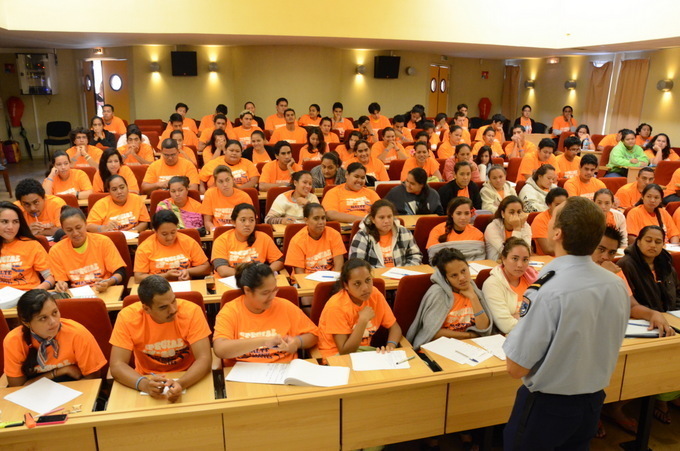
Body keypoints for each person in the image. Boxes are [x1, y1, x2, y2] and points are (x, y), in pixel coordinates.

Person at [503, 197, 629, 450]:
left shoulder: (549, 289)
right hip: (593, 401)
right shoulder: (615, 285)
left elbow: (516, 367)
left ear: (557, 232)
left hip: (549, 407)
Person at [109, 275, 212, 403]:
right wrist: (144, 385)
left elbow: (204, 359)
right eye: (163, 307)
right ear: (146, 309)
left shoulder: (192, 311)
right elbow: (117, 365)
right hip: (147, 377)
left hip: (188, 375)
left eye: (174, 301)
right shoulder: (127, 317)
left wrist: (181, 383)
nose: (173, 310)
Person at [616, 225, 680, 424]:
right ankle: (619, 408)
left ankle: (668, 394)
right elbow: (630, 304)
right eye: (648, 240)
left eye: (658, 241)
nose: (653, 245)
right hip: (641, 322)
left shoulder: (665, 264)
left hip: (668, 317)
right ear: (639, 241)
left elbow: (676, 294)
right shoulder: (627, 264)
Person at [213, 262, 318, 366]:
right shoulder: (231, 311)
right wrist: (263, 341)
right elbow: (220, 349)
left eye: (274, 290)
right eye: (265, 293)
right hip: (243, 372)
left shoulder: (285, 306)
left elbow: (313, 335)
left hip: (283, 369)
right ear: (247, 290)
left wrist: (296, 342)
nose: (272, 296)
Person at [3, 289, 106, 387]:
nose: (53, 321)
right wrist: (59, 372)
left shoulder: (77, 334)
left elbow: (92, 378)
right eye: (43, 318)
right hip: (34, 395)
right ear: (26, 322)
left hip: (75, 389)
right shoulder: (14, 341)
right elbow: (17, 386)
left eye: (55, 313)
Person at [406, 247, 493, 349]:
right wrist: (469, 336)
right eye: (454, 275)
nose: (462, 278)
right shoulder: (438, 293)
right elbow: (433, 333)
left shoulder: (474, 289)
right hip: (439, 348)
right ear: (445, 278)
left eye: (464, 271)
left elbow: (484, 329)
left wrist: (473, 298)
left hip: (470, 347)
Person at [317, 258, 402, 357]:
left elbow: (395, 328)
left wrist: (390, 347)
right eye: (357, 283)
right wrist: (362, 321)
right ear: (346, 285)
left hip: (365, 353)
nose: (365, 288)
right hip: (336, 357)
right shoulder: (336, 306)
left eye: (368, 280)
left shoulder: (375, 294)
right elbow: (345, 351)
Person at [48, 207, 126, 292]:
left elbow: (120, 272)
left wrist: (108, 282)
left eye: (78, 228)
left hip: (104, 290)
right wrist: (62, 285)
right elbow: (62, 280)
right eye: (69, 230)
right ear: (63, 230)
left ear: (85, 224)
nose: (75, 233)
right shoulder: (56, 251)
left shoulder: (103, 241)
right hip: (77, 295)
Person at [134, 210, 210, 282]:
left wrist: (187, 271)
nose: (170, 238)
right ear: (155, 231)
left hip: (185, 284)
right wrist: (166, 276)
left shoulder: (188, 242)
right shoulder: (145, 247)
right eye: (164, 234)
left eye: (173, 232)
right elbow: (138, 277)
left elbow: (206, 267)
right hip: (156, 288)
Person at [482, 238, 538, 334]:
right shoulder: (492, 284)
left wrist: (517, 316)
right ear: (504, 259)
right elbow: (506, 326)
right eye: (514, 259)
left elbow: (548, 313)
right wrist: (534, 320)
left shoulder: (534, 280)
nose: (520, 265)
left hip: (532, 335)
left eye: (525, 260)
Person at [211, 203, 283, 277]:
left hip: (258, 280)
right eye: (243, 220)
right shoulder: (221, 240)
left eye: (251, 220)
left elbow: (279, 261)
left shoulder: (263, 238)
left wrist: (265, 271)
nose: (247, 224)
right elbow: (223, 271)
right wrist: (252, 274)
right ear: (233, 222)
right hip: (230, 280)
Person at [349, 199, 422, 267]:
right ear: (373, 219)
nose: (386, 221)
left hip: (402, 275)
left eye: (389, 217)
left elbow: (415, 255)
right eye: (381, 217)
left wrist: (407, 270)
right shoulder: (362, 235)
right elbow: (357, 263)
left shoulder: (404, 232)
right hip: (374, 277)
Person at [0, 202, 54, 290]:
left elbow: (50, 276)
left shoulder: (32, 245)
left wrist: (40, 289)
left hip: (29, 295)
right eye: (5, 222)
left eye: (15, 222)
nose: (11, 227)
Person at [285, 203, 345, 274]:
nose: (321, 222)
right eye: (316, 218)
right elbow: (299, 274)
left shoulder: (334, 234)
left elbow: (339, 267)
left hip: (330, 278)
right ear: (306, 220)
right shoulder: (297, 241)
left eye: (323, 218)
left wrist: (334, 281)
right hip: (305, 280)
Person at [427, 197, 485, 261]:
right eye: (458, 213)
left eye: (467, 213)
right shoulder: (438, 230)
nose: (463, 218)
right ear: (451, 214)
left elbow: (480, 257)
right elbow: (434, 257)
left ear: (471, 214)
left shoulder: (478, 234)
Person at [200, 165, 253, 230]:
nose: (225, 184)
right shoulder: (210, 194)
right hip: (218, 233)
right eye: (221, 181)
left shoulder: (244, 197)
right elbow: (207, 221)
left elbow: (249, 222)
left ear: (233, 179)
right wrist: (214, 230)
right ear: (216, 183)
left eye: (227, 180)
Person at [484, 196, 531, 261]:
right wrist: (517, 228)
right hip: (496, 265)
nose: (516, 215)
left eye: (519, 212)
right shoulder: (492, 227)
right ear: (503, 213)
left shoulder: (525, 225)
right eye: (511, 212)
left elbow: (527, 250)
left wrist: (520, 227)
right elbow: (510, 253)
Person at [531, 187, 569, 256]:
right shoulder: (540, 220)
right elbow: (547, 249)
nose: (561, 208)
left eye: (564, 205)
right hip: (549, 260)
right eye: (557, 205)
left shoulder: (570, 217)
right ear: (549, 204)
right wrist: (572, 251)